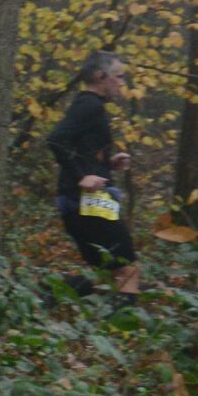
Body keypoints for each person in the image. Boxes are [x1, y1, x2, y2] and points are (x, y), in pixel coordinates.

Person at [45, 50, 143, 295]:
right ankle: (47, 296)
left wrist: (108, 164)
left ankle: (48, 297)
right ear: (101, 76)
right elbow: (56, 140)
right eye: (119, 76)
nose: (122, 83)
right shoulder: (89, 105)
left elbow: (80, 150)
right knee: (127, 271)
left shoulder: (89, 105)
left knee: (107, 272)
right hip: (86, 204)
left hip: (82, 203)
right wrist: (82, 177)